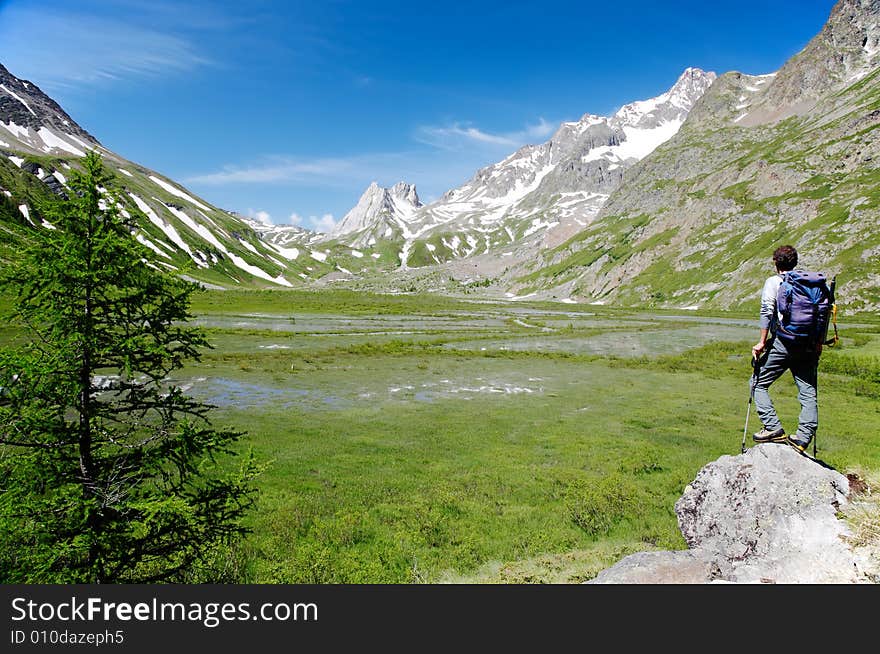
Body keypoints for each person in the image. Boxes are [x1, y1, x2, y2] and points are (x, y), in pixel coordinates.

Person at [750, 245, 821, 453]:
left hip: (784, 342)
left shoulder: (774, 282)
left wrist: (762, 342)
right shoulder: (810, 284)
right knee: (808, 391)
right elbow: (822, 316)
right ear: (795, 262)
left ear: (776, 263)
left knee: (757, 383)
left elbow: (766, 311)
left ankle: (772, 427)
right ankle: (803, 437)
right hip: (808, 344)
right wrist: (817, 344)